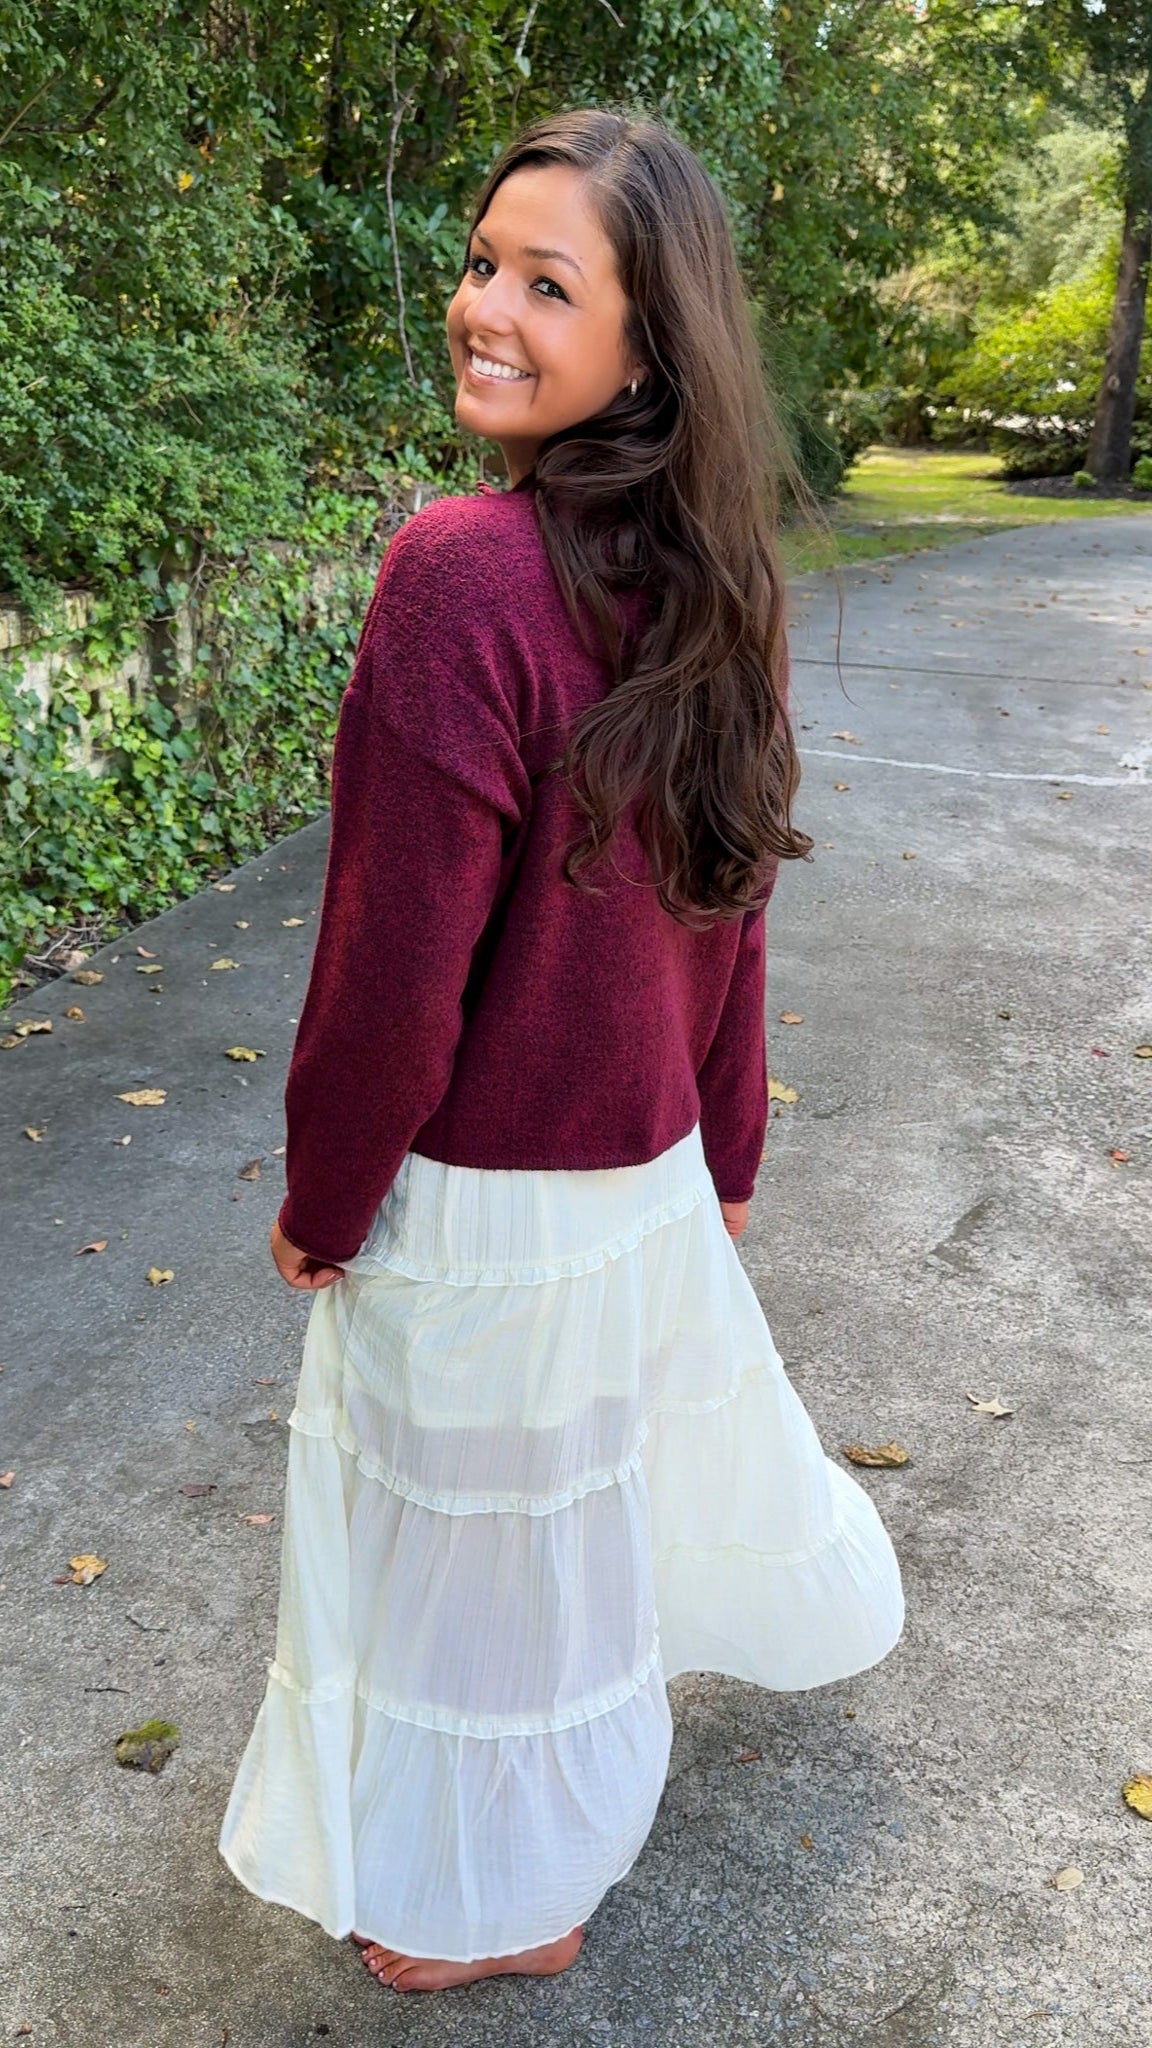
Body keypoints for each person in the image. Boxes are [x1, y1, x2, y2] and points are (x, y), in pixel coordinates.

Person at [217, 106, 904, 1996]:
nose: (482, 310)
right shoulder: (722, 581)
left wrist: (324, 1199)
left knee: (458, 1582)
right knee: (561, 1552)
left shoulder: (464, 572)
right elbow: (738, 904)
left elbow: (389, 969)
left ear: (645, 343)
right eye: (478, 262)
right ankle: (545, 1870)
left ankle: (480, 1909)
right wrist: (730, 1156)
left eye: (545, 282)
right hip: (644, 1191)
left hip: (481, 1201)